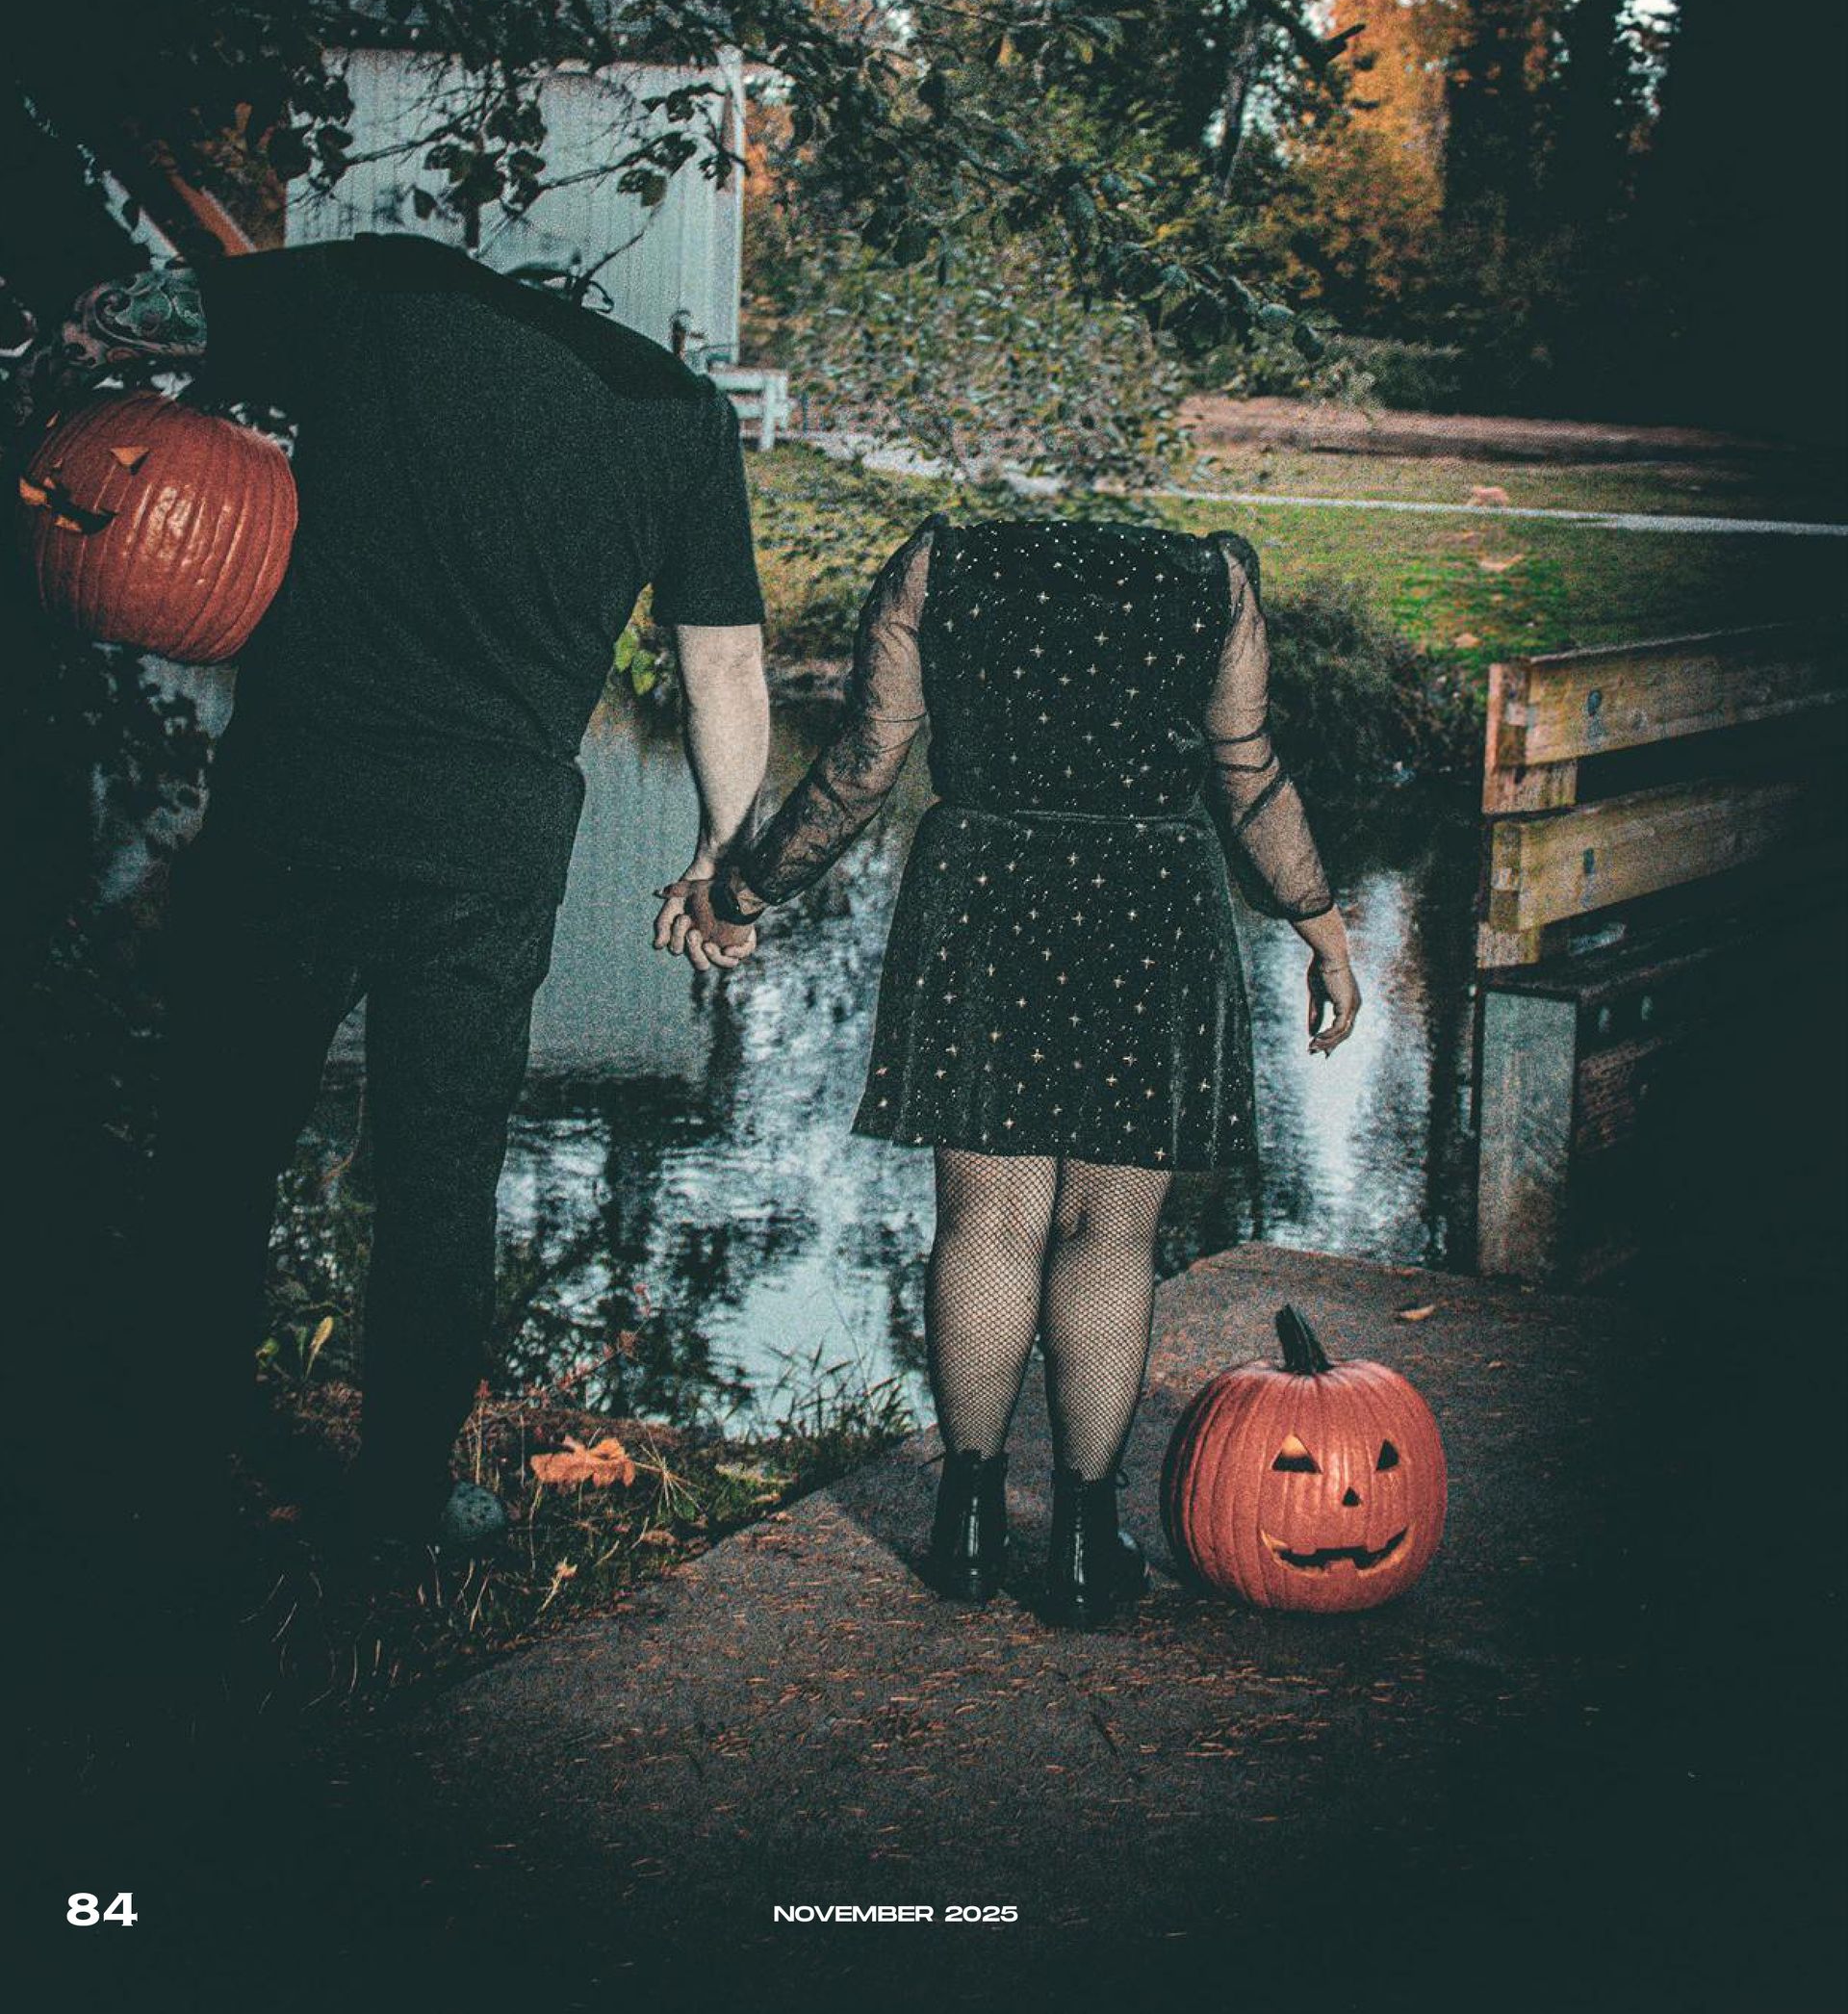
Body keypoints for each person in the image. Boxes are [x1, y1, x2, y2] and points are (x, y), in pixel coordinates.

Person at [47, 235, 769, 1548]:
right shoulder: (680, 414)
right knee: (443, 1175)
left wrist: (94, 363)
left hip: (299, 799)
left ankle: (167, 1460)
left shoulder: (382, 289)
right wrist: (727, 856)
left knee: (221, 1139)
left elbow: (138, 311)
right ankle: (401, 1497)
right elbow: (720, 667)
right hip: (489, 844)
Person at [667, 515, 1359, 1628]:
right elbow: (1248, 772)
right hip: (1150, 903)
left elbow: (864, 764)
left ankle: (969, 1524)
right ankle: (1086, 1542)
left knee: (985, 1226)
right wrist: (1320, 925)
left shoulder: (941, 563)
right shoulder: (1210, 577)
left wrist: (745, 893)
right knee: (1110, 1235)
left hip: (988, 893)